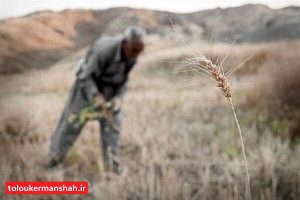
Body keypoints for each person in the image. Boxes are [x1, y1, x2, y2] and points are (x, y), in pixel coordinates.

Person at [47, 26, 146, 173]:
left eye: (139, 51)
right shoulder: (104, 50)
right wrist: (95, 96)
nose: (136, 55)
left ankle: (112, 166)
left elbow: (124, 81)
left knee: (113, 125)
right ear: (125, 43)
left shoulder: (133, 55)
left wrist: (117, 99)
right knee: (71, 124)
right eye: (133, 50)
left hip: (110, 91)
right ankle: (54, 161)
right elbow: (85, 76)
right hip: (86, 88)